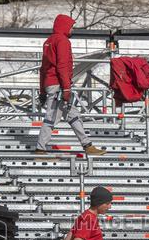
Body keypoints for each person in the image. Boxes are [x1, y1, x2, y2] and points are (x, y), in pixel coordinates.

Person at [34, 14, 106, 156]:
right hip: (58, 86)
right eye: (71, 26)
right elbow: (62, 66)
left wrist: (42, 91)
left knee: (73, 115)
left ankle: (87, 145)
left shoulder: (48, 41)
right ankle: (40, 149)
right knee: (51, 118)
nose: (72, 29)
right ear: (64, 26)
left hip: (52, 84)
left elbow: (43, 69)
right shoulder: (62, 41)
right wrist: (66, 88)